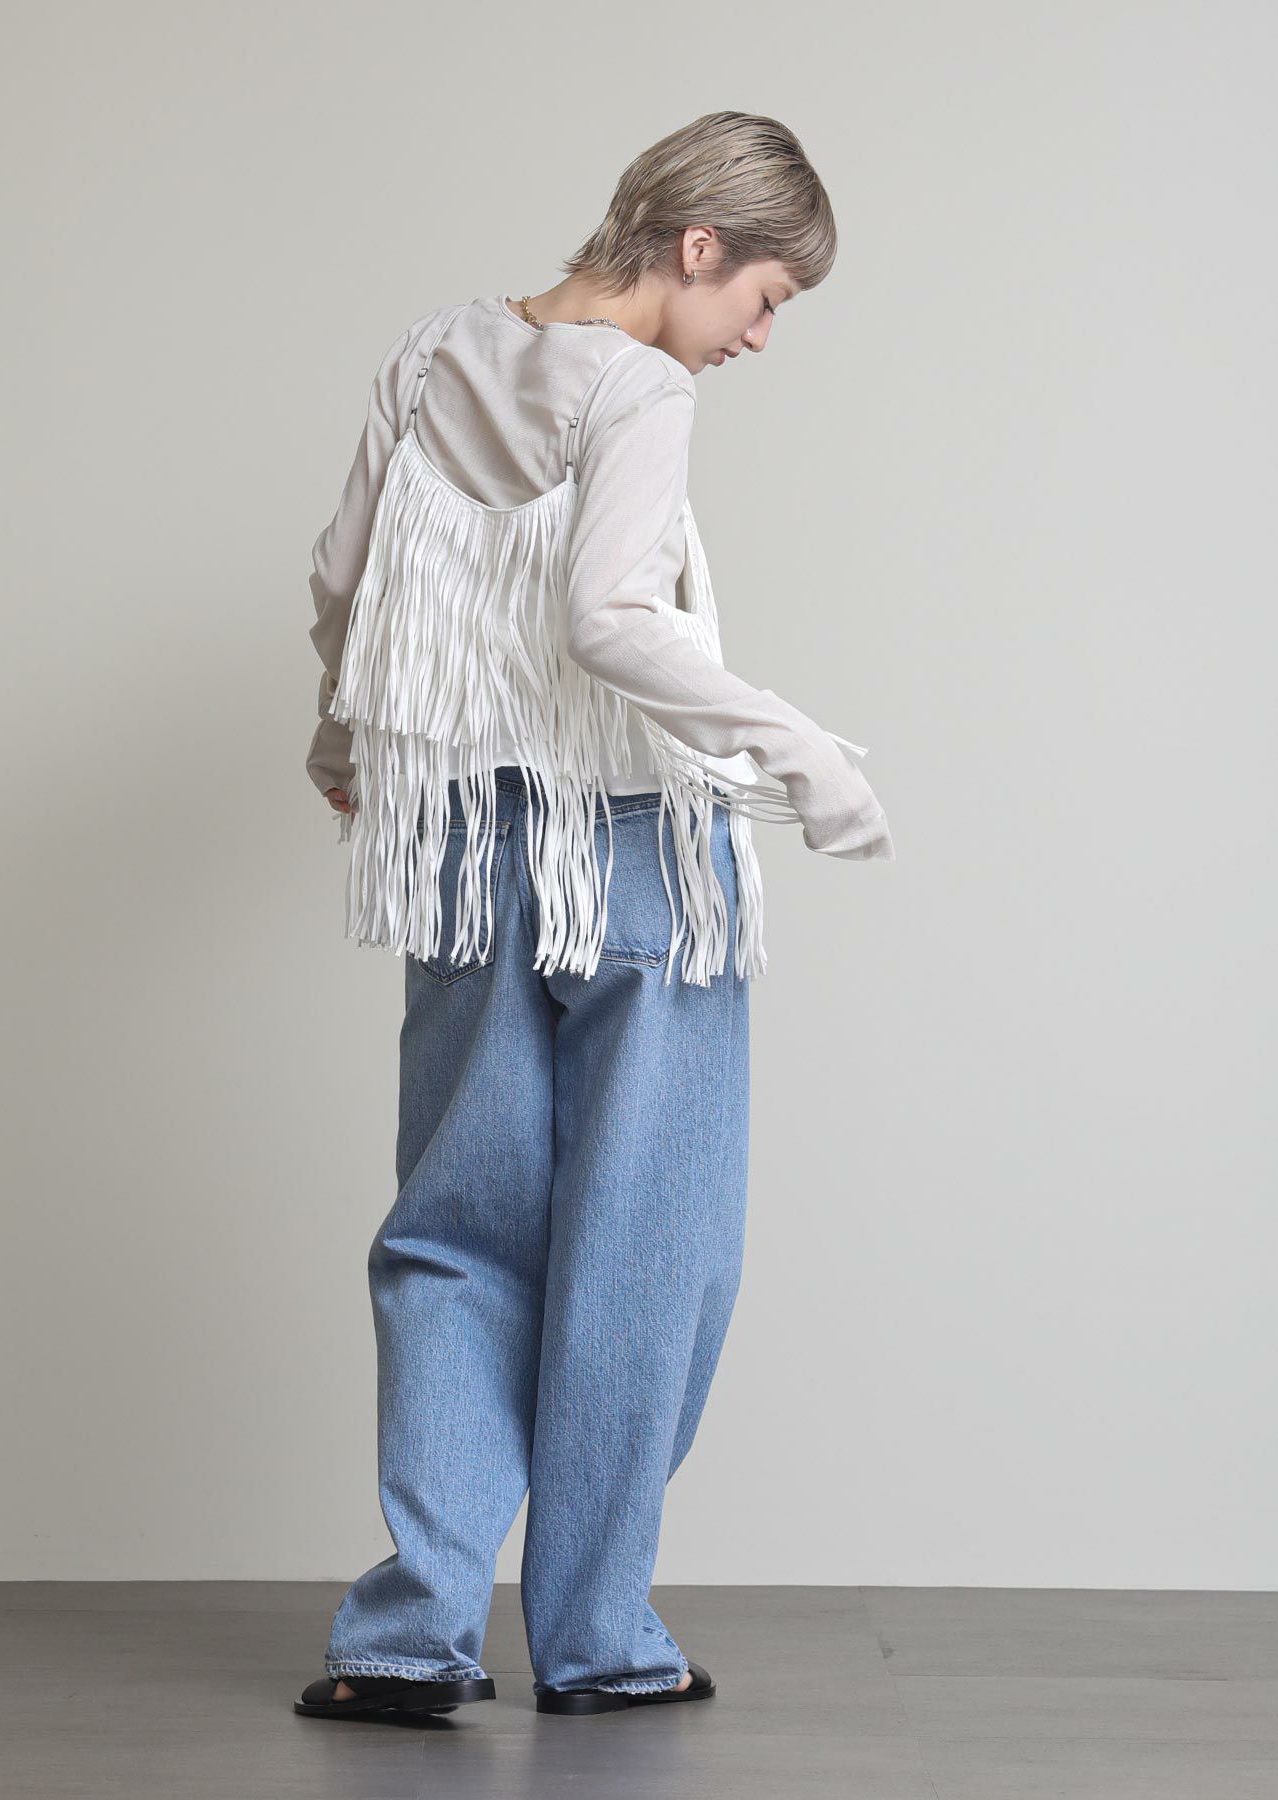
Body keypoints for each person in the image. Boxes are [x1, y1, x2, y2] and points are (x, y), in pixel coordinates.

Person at [294, 111, 895, 1724]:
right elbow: (610, 617)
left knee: (453, 1231)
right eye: (765, 296)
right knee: (651, 1243)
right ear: (697, 247)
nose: (757, 336)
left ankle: (408, 1636)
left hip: (460, 844)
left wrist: (344, 750)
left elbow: (345, 579)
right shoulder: (640, 387)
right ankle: (597, 1638)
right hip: (626, 847)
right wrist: (804, 752)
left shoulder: (434, 354)